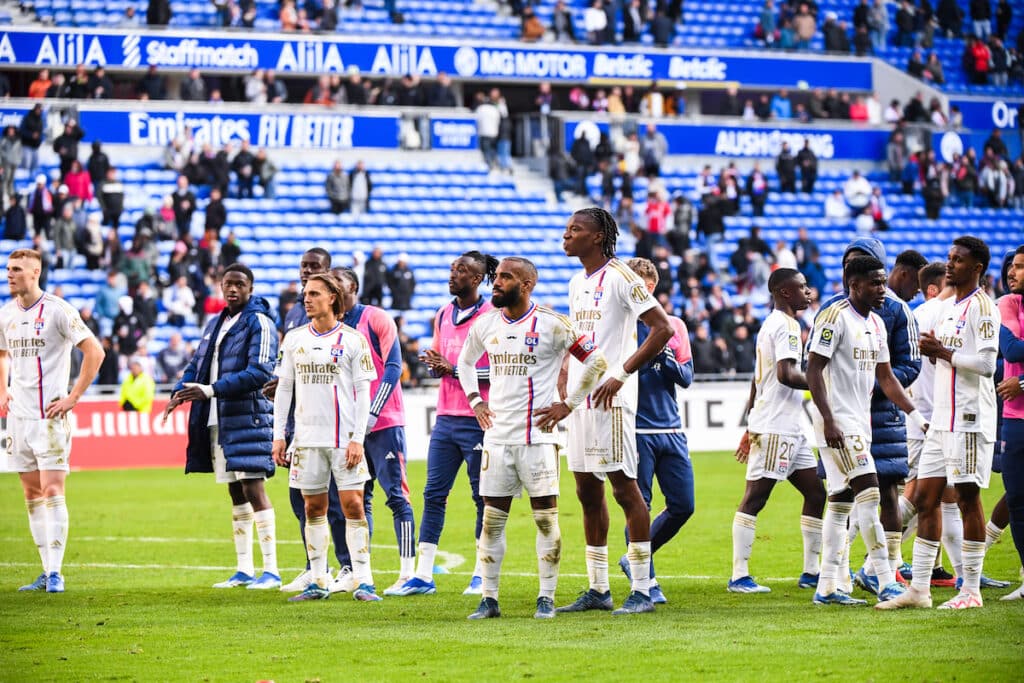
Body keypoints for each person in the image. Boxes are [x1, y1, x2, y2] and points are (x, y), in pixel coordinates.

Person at [457, 257, 608, 619]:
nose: (496, 283)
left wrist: (568, 405)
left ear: (526, 285)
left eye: (505, 277)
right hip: (497, 439)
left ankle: (546, 597)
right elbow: (464, 363)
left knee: (546, 520)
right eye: (496, 277)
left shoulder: (553, 325)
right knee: (492, 521)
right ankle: (489, 599)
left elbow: (597, 361)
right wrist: (476, 400)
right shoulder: (486, 324)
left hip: (539, 439)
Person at [557, 207, 674, 616]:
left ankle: (642, 588)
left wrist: (622, 373)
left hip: (613, 400)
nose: (567, 234)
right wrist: (564, 380)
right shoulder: (576, 282)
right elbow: (578, 340)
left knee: (625, 489)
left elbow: (663, 328)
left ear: (597, 237)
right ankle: (598, 588)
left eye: (575, 229)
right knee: (586, 490)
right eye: (568, 228)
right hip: (581, 400)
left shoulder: (624, 278)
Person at [879, 237, 999, 610]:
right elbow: (946, 359)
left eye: (958, 260)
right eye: (949, 259)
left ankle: (971, 590)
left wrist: (944, 353)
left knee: (966, 498)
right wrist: (937, 356)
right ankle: (919, 590)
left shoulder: (982, 308)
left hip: (967, 417)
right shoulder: (949, 308)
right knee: (926, 499)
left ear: (976, 267)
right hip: (940, 420)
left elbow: (987, 365)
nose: (950, 265)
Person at [807, 254, 925, 606]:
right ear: (853, 284)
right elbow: (814, 370)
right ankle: (885, 578)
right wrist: (827, 418)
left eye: (884, 282)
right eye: (875, 283)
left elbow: (886, 378)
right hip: (838, 422)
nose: (882, 290)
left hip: (861, 422)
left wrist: (916, 417)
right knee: (870, 493)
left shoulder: (876, 323)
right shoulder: (833, 317)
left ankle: (827, 586)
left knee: (841, 502)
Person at [164, 264, 281, 591]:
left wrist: (211, 390)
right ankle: (244, 568)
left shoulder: (260, 322)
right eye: (227, 284)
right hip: (219, 416)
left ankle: (270, 570)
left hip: (248, 417)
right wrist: (180, 390)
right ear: (220, 286)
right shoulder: (216, 323)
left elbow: (260, 371)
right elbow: (198, 365)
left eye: (239, 284)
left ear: (250, 287)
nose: (232, 289)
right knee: (235, 491)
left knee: (254, 488)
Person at [392, 252, 498, 597]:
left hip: (480, 418)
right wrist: (435, 365)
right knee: (433, 494)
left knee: (483, 498)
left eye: (463, 270)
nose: (454, 274)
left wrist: (452, 368)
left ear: (479, 279)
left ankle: (482, 573)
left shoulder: (492, 316)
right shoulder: (442, 313)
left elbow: (500, 370)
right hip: (446, 417)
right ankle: (423, 575)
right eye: (454, 269)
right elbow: (440, 358)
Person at [272, 273, 382, 602]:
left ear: (332, 298)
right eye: (305, 294)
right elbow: (284, 390)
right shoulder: (293, 339)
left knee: (353, 504)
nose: (306, 299)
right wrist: (280, 436)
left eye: (314, 293)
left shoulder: (352, 340)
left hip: (344, 438)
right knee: (313, 507)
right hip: (306, 439)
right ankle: (318, 580)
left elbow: (364, 393)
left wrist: (357, 438)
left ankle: (364, 579)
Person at [1, 249, 103, 593]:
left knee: (53, 490)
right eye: (8, 268)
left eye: (16, 269)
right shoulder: (6, 314)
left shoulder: (58, 310)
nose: (10, 274)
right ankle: (45, 571)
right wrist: (3, 389)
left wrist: (73, 397)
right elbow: (2, 353)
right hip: (17, 418)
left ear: (35, 272)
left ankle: (57, 573)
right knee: (31, 493)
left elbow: (95, 351)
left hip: (49, 417)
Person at [730, 269, 826, 593]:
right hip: (776, 426)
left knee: (816, 493)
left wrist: (749, 421)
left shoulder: (772, 324)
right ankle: (738, 575)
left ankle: (812, 572)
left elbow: (759, 379)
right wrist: (825, 383)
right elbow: (786, 374)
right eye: (801, 288)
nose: (808, 292)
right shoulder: (786, 325)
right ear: (785, 292)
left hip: (790, 425)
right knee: (755, 498)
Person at [613, 258, 695, 604]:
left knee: (683, 505)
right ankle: (646, 577)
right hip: (636, 428)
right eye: (637, 287)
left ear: (654, 288)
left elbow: (687, 377)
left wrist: (663, 359)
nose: (643, 294)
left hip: (671, 426)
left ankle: (633, 558)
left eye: (648, 288)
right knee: (639, 504)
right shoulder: (622, 327)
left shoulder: (673, 325)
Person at [333, 267, 418, 595]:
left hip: (383, 421)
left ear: (352, 286)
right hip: (349, 427)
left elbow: (395, 367)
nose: (333, 291)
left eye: (337, 284)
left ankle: (408, 573)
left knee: (396, 495)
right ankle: (358, 571)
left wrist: (371, 413)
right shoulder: (332, 328)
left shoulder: (376, 318)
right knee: (357, 498)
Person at [997, 246, 1024, 600]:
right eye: (1012, 267)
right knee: (1017, 498)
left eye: (1020, 267)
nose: (1012, 272)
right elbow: (1012, 351)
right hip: (1014, 417)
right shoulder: (1006, 304)